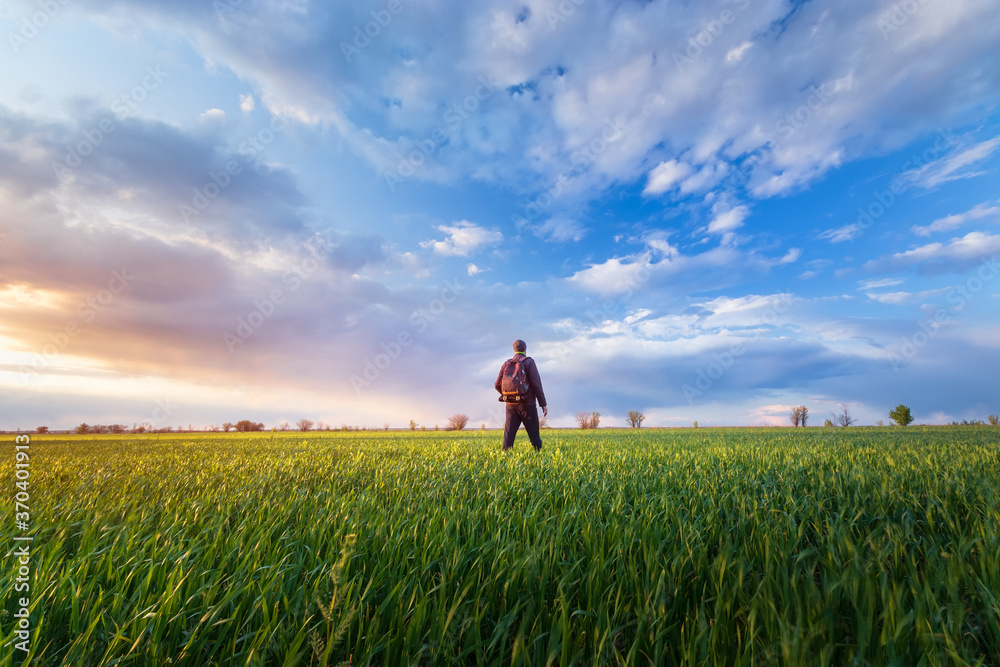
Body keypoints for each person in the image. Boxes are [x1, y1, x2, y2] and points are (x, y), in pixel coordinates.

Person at [495, 339, 548, 451]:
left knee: (508, 435)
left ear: (514, 350)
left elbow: (496, 384)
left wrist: (508, 395)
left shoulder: (506, 363)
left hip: (510, 405)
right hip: (527, 404)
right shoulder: (529, 362)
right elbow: (536, 384)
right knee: (534, 436)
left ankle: (505, 459)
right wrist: (543, 404)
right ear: (525, 349)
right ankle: (539, 458)